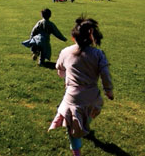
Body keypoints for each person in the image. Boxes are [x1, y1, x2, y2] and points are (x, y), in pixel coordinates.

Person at [48, 16, 114, 156]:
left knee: (73, 130)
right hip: (93, 98)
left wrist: (64, 75)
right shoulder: (98, 54)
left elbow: (59, 69)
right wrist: (108, 91)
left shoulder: (66, 52)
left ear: (73, 38)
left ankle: (76, 151)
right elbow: (105, 73)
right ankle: (83, 126)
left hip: (73, 99)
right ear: (91, 37)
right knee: (84, 117)